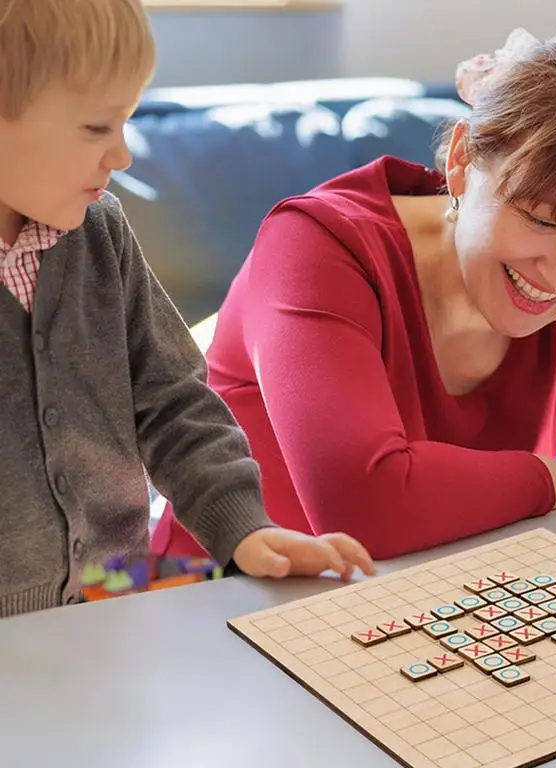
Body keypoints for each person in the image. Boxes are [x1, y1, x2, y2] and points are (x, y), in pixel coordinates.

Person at [154, 29, 556, 563]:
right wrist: (551, 479)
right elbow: (366, 506)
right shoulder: (319, 247)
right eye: (542, 218)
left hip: (434, 613)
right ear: (462, 160)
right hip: (213, 603)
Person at [0, 0, 374, 618]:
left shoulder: (100, 233)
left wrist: (245, 531)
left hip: (115, 595)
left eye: (127, 122)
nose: (121, 156)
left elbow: (174, 401)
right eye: (97, 128)